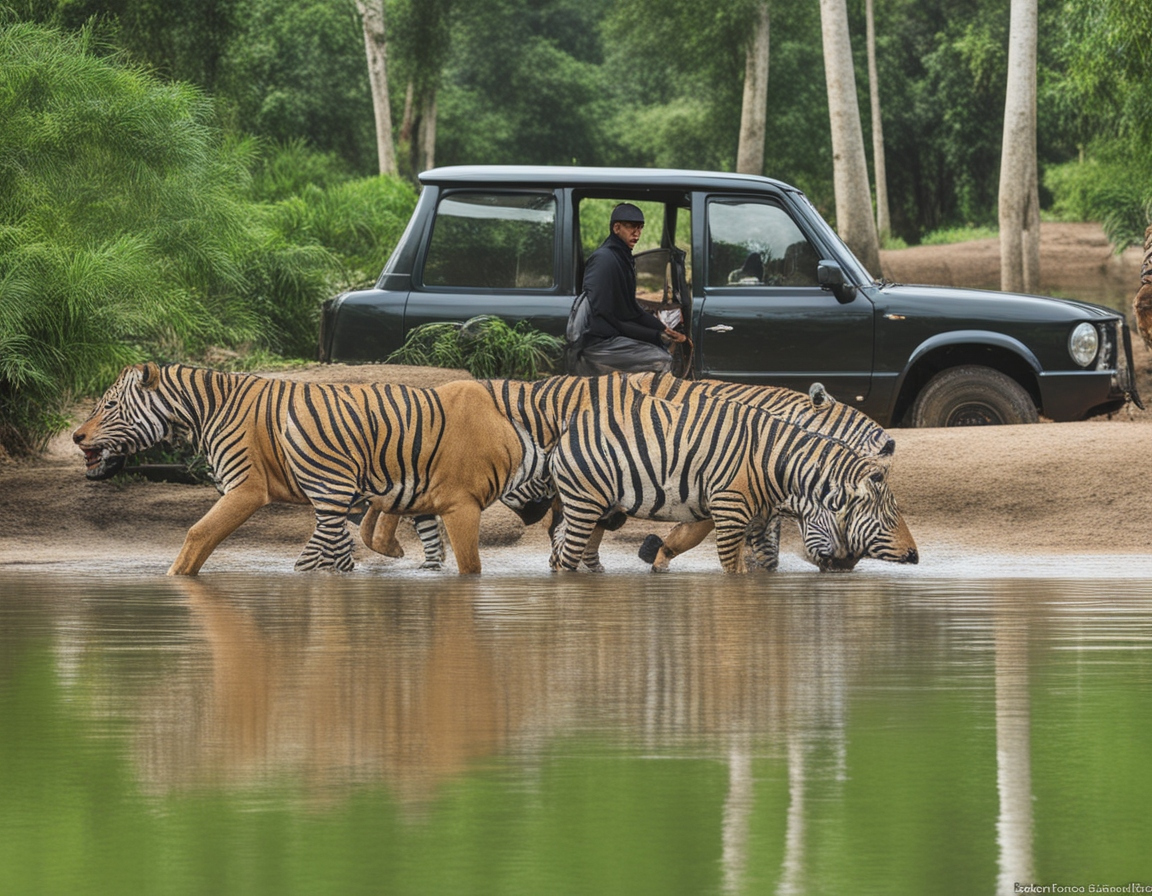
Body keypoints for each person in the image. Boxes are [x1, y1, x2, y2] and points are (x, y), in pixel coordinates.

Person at [573, 202, 687, 374]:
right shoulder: (604, 259)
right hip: (600, 341)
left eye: (640, 228)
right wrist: (654, 336)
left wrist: (663, 328)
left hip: (613, 334)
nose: (637, 233)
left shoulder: (622, 257)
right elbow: (607, 315)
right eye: (631, 227)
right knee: (662, 359)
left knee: (660, 345)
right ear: (616, 228)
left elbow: (632, 309)